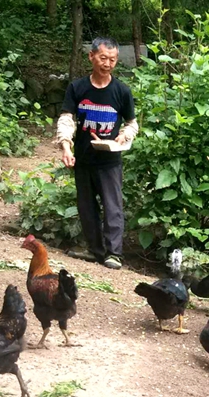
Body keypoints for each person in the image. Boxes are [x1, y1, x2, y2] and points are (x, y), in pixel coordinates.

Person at [56, 37, 138, 270]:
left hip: (110, 160)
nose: (107, 63)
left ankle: (114, 254)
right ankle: (95, 250)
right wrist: (66, 147)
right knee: (86, 207)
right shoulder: (77, 88)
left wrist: (124, 136)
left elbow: (132, 124)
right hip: (83, 158)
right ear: (91, 56)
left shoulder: (122, 91)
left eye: (112, 60)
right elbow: (66, 119)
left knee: (113, 207)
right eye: (103, 58)